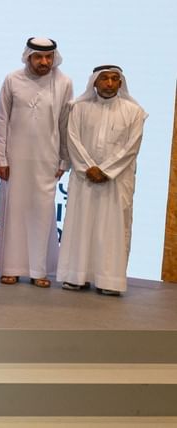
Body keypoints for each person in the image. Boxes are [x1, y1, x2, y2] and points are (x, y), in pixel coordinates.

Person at [58, 65, 147, 297]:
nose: (109, 83)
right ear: (94, 83)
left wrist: (106, 170)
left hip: (117, 180)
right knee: (81, 224)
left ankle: (110, 280)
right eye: (104, 78)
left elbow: (132, 147)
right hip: (84, 177)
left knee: (113, 228)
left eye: (114, 79)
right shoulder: (79, 108)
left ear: (121, 83)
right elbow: (73, 139)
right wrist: (89, 167)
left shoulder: (134, 111)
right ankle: (76, 276)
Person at [0, 37, 73, 288]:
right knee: (14, 211)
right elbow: (2, 120)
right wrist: (1, 158)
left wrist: (64, 160)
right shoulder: (12, 79)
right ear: (29, 56)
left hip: (47, 159)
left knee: (42, 213)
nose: (44, 62)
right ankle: (11, 268)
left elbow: (65, 124)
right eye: (38, 57)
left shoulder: (64, 83)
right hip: (15, 159)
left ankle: (39, 270)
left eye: (48, 57)